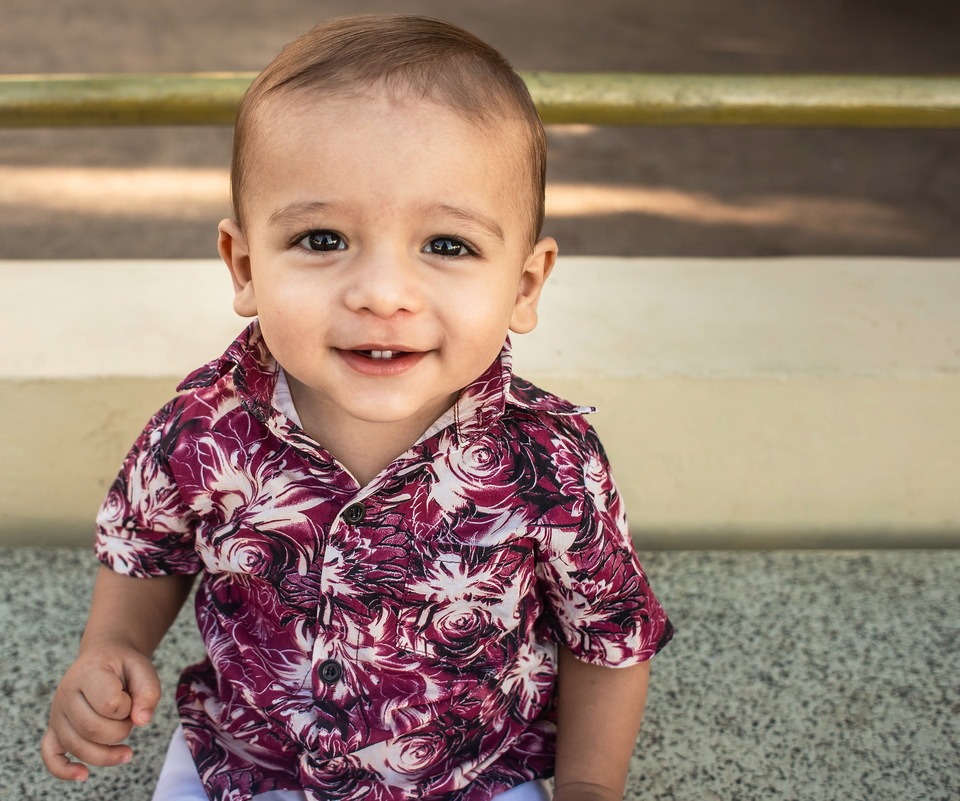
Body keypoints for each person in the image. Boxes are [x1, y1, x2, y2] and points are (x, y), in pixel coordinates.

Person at [41, 14, 672, 801]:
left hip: (474, 773)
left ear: (523, 285)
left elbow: (607, 637)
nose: (381, 293)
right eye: (322, 239)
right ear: (245, 266)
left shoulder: (551, 462)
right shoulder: (204, 426)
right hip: (252, 760)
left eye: (447, 245)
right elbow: (147, 549)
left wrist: (588, 782)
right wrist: (112, 644)